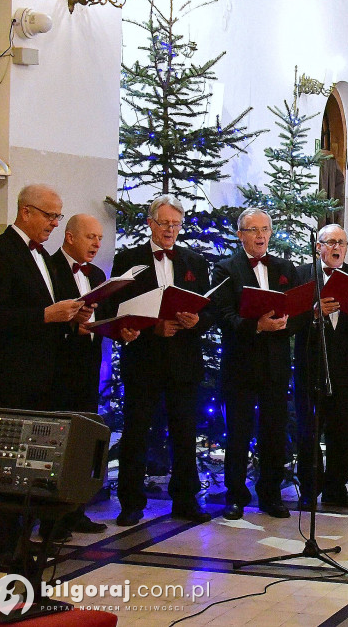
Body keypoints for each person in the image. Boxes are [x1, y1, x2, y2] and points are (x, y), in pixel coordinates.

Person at [110, 195, 214, 527]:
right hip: (143, 361)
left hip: (183, 362)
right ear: (150, 223)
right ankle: (130, 502)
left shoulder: (194, 262)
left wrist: (196, 322)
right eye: (165, 223)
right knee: (136, 432)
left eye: (176, 224)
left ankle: (185, 499)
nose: (171, 230)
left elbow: (208, 310)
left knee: (184, 434)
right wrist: (154, 326)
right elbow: (117, 309)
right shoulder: (128, 259)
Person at [49, 215, 138, 537]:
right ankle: (52, 520)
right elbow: (46, 319)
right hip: (58, 368)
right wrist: (74, 323)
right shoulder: (52, 268)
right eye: (90, 237)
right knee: (58, 444)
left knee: (83, 443)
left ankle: (76, 512)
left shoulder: (99, 274)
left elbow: (105, 317)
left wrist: (122, 330)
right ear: (70, 237)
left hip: (88, 366)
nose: (97, 244)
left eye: (99, 238)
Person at [213, 208, 301, 521]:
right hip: (240, 364)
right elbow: (223, 316)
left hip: (276, 365)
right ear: (240, 235)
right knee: (237, 432)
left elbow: (297, 311)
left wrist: (285, 323)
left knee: (274, 432)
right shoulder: (226, 268)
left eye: (265, 229)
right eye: (253, 230)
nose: (260, 235)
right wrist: (258, 326)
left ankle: (271, 495)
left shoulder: (284, 267)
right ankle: (235, 496)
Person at [0, 184, 83, 410]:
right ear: (26, 212)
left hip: (45, 379)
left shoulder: (44, 255)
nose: (56, 223)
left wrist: (71, 317)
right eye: (50, 215)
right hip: (10, 380)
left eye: (58, 216)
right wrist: (46, 315)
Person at [293, 224, 348, 509]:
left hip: (346, 368)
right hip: (310, 366)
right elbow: (290, 320)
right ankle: (310, 490)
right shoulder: (302, 275)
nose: (337, 247)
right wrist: (314, 313)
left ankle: (337, 488)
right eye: (331, 242)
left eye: (342, 242)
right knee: (309, 432)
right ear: (318, 247)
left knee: (342, 431)